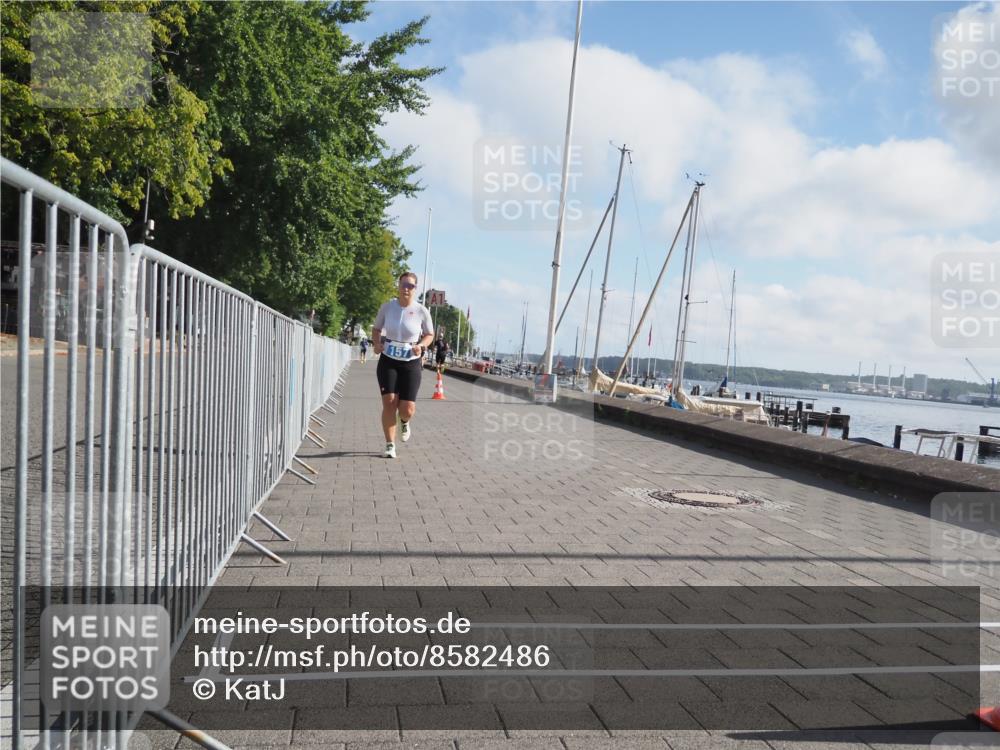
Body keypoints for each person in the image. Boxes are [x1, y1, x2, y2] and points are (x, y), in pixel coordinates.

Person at [371, 272, 434, 458]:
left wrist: (421, 346)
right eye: (404, 284)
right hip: (388, 360)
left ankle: (404, 421)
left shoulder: (422, 311)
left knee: (407, 409)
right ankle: (390, 445)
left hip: (410, 363)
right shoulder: (387, 307)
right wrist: (376, 343)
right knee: (389, 402)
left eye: (411, 286)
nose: (406, 288)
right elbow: (376, 329)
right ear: (398, 285)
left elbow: (429, 334)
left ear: (415, 289)